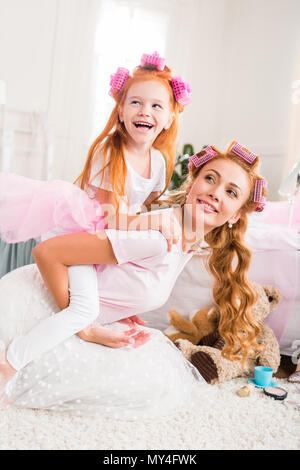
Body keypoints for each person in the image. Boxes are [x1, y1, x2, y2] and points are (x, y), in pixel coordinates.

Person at [0, 141, 267, 416]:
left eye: (231, 192)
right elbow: (48, 251)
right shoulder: (157, 238)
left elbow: (113, 274)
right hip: (39, 306)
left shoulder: (190, 243)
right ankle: (8, 364)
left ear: (236, 215)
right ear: (192, 184)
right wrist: (86, 326)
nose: (215, 193)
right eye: (210, 178)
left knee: (149, 376)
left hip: (77, 307)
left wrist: (122, 308)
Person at [0, 51, 191, 371]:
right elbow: (112, 217)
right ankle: (9, 364)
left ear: (170, 116)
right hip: (83, 233)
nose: (145, 111)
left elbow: (142, 209)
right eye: (136, 102)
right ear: (120, 109)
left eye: (157, 105)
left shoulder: (158, 162)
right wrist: (156, 220)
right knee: (83, 310)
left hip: (111, 236)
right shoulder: (110, 152)